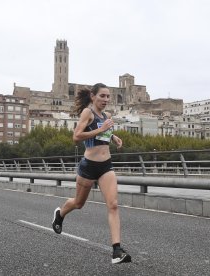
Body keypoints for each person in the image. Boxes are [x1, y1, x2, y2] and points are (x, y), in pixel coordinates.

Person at [52, 83, 132, 264]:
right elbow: (76, 136)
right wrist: (101, 130)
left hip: (106, 166)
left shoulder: (107, 116)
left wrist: (113, 136)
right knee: (79, 203)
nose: (105, 100)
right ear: (93, 96)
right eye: (102, 96)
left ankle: (116, 251)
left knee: (113, 205)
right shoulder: (87, 113)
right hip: (88, 166)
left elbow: (103, 134)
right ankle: (60, 214)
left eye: (108, 97)